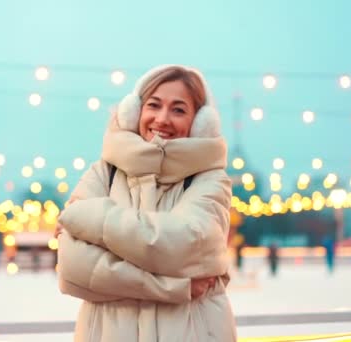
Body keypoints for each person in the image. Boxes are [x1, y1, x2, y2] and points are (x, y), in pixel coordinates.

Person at [55, 65, 237, 341]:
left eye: (178, 110)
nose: (162, 119)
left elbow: (183, 242)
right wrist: (172, 286)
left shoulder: (210, 180)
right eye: (154, 105)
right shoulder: (104, 172)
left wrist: (92, 219)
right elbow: (72, 268)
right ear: (135, 111)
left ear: (200, 123)